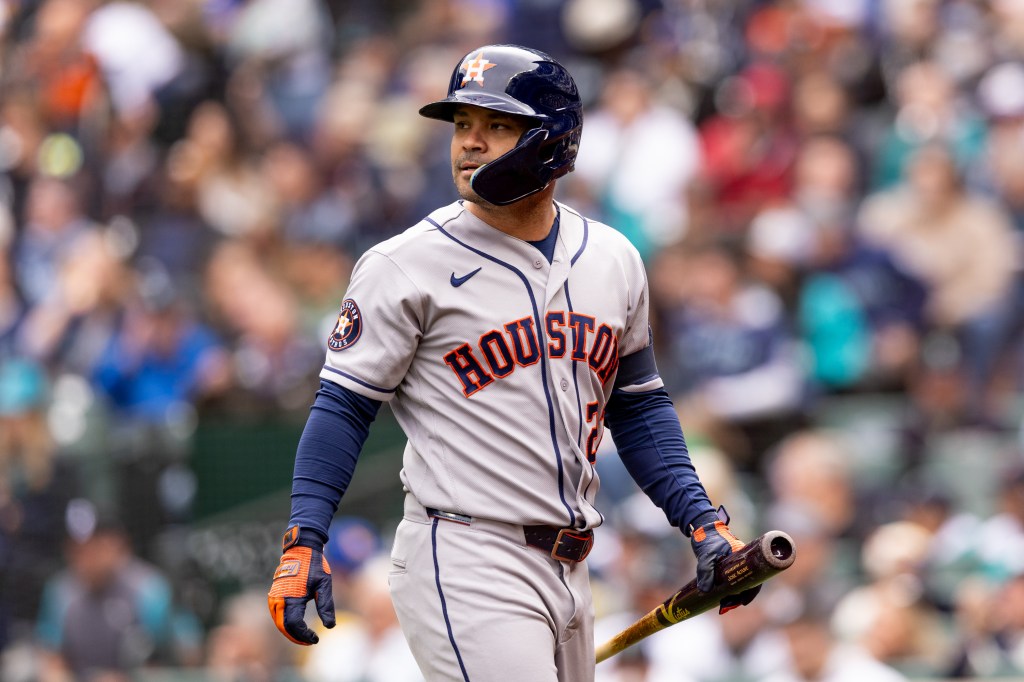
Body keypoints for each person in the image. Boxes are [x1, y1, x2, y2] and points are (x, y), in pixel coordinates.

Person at [266, 44, 759, 682]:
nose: (469, 143)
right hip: (466, 553)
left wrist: (701, 523)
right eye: (461, 125)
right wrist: (306, 536)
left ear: (552, 139)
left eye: (496, 125)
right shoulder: (404, 264)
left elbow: (638, 409)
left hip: (574, 562)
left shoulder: (612, 258)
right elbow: (343, 407)